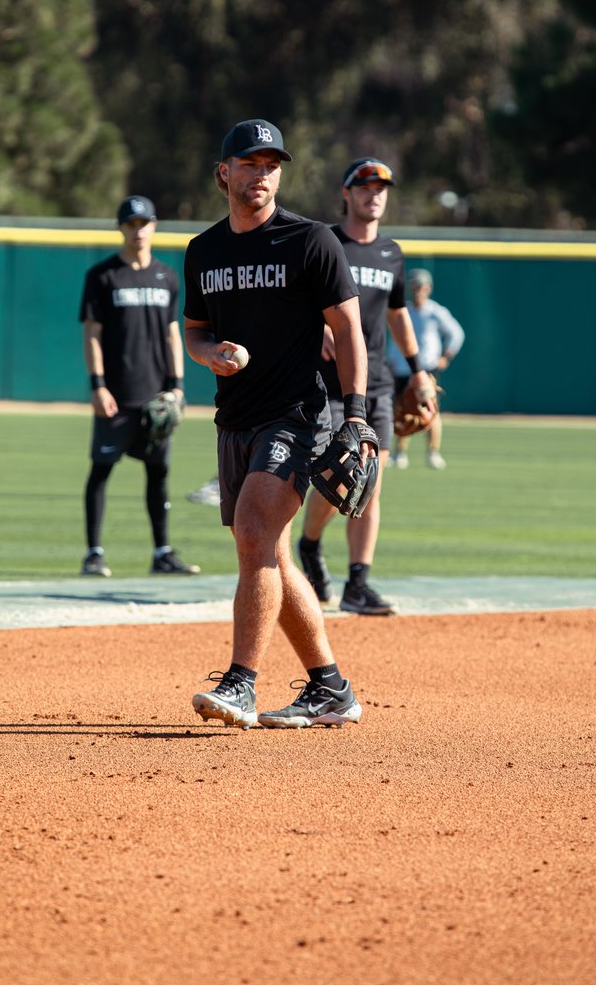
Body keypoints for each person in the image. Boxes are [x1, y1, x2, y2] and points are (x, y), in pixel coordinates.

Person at [183, 118, 374, 730]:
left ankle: (240, 682)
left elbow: (347, 330)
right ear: (225, 173)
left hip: (298, 414)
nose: (262, 174)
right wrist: (208, 353)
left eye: (272, 164)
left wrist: (357, 415)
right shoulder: (203, 251)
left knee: (253, 531)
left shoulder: (311, 241)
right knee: (269, 553)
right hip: (234, 419)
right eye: (250, 163)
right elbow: (194, 332)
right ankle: (330, 688)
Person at [296, 158, 435, 616]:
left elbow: (398, 315)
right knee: (337, 477)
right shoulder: (327, 242)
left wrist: (417, 370)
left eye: (381, 188)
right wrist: (318, 331)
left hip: (376, 384)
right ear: (346, 193)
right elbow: (295, 306)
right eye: (364, 186)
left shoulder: (391, 254)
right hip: (329, 385)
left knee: (370, 482)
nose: (373, 194)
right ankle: (311, 543)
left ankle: (358, 583)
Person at [78, 195, 199, 579]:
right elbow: (92, 335)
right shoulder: (102, 276)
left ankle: (162, 552)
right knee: (101, 470)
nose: (138, 230)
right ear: (121, 228)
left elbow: (171, 334)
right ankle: (94, 553)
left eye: (144, 223)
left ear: (154, 226)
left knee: (158, 472)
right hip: (116, 393)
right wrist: (97, 385)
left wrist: (177, 386)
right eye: (131, 224)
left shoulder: (166, 276)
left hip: (156, 395)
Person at [387, 267, 465, 469]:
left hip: (427, 369)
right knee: (403, 409)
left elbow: (456, 333)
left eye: (420, 286)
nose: (417, 290)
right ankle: (399, 454)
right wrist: (391, 359)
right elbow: (396, 339)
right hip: (403, 368)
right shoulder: (404, 309)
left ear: (428, 288)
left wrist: (445, 357)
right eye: (413, 286)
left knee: (431, 410)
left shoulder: (435, 312)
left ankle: (433, 452)